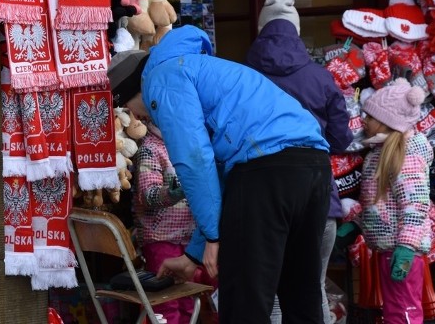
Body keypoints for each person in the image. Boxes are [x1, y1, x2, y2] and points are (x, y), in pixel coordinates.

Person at [108, 25, 332, 323]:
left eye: (128, 108)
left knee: (244, 303)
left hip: (265, 170)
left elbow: (194, 160)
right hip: (312, 165)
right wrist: (193, 255)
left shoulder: (161, 77)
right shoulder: (196, 67)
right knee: (301, 295)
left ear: (132, 91)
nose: (137, 117)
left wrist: (215, 236)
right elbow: (219, 172)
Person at [246, 0, 353, 324]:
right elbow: (341, 138)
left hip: (263, 199)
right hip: (317, 198)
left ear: (262, 28)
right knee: (312, 289)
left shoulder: (244, 77)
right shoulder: (320, 77)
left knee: (271, 292)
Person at [334, 78, 433, 324]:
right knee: (394, 310)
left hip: (401, 249)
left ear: (388, 121)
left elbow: (415, 204)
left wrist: (406, 247)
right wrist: (358, 224)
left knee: (403, 311)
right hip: (388, 247)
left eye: (370, 116)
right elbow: (382, 204)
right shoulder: (379, 153)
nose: (364, 121)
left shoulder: (406, 155)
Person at [109, 50, 197, 324]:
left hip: (189, 238)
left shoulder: (185, 145)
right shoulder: (150, 150)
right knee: (166, 304)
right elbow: (148, 195)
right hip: (162, 240)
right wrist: (178, 191)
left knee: (188, 302)